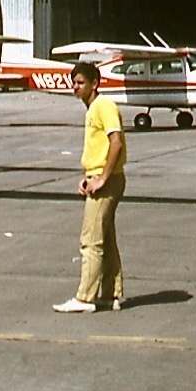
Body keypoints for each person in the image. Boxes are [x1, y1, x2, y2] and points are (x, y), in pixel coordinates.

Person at [54, 60, 127, 313]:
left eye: (80, 82)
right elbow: (100, 150)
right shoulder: (92, 109)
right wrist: (89, 177)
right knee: (105, 238)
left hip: (107, 181)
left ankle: (85, 298)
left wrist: (102, 178)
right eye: (73, 82)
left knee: (90, 241)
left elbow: (116, 142)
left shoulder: (103, 106)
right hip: (100, 177)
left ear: (95, 84)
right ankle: (111, 294)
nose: (75, 87)